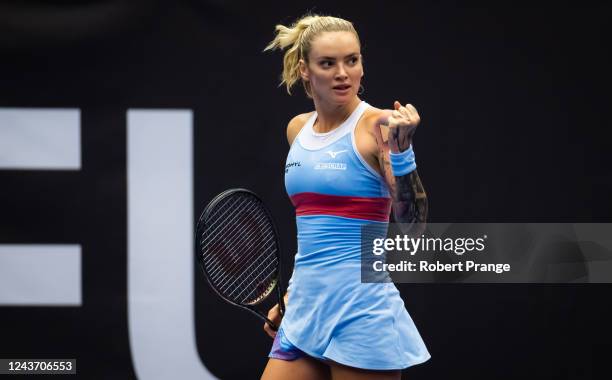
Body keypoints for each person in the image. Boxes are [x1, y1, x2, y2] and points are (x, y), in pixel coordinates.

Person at [261, 14, 430, 380]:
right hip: (305, 309)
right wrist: (290, 295)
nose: (343, 73)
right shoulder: (297, 130)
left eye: (352, 60)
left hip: (361, 313)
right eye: (328, 63)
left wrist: (402, 154)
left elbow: (413, 227)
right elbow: (314, 235)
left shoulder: (379, 127)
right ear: (305, 70)